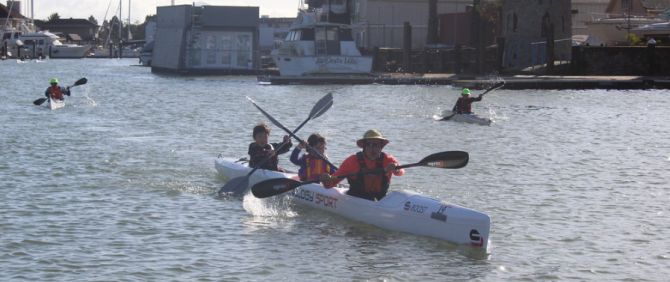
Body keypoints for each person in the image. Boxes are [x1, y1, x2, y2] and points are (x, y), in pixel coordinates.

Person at [320, 129, 404, 201]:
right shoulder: (351, 161)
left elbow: (401, 172)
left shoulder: (388, 159)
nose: (372, 149)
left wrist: (396, 169)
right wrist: (326, 180)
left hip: (380, 200)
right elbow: (330, 184)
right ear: (364, 147)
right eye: (369, 145)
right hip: (355, 200)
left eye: (376, 145)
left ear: (381, 147)